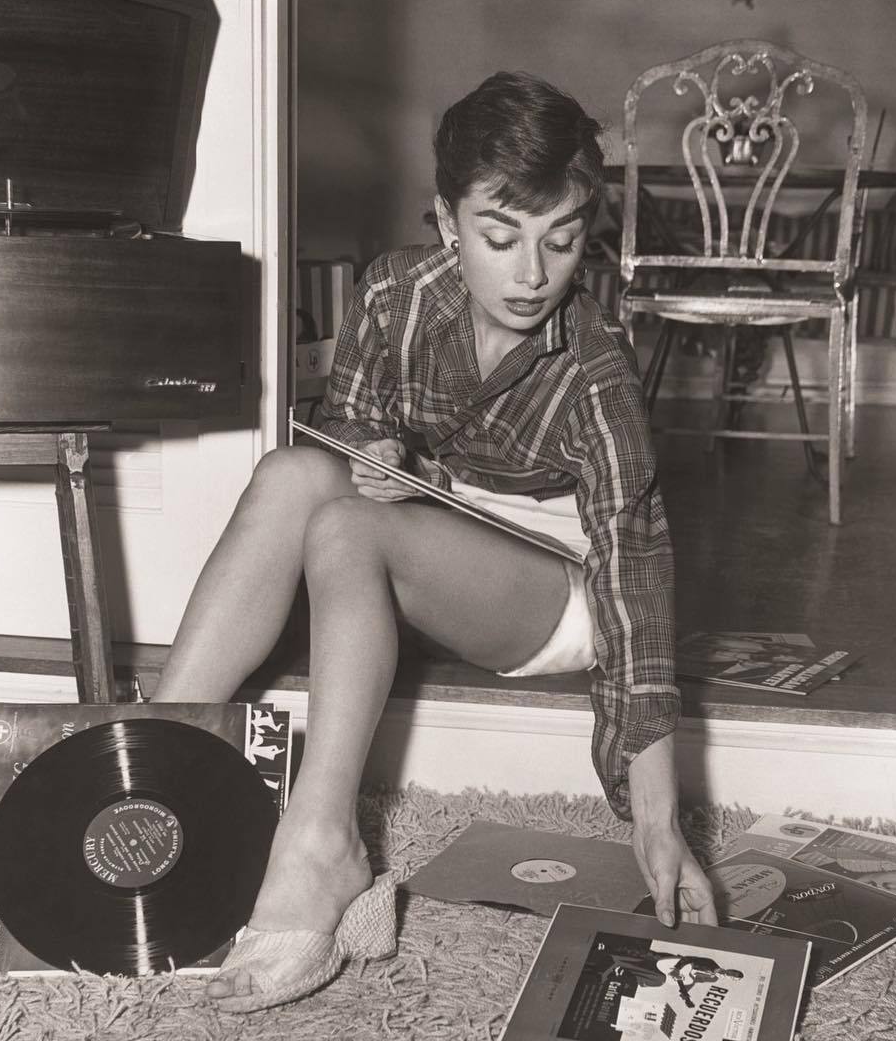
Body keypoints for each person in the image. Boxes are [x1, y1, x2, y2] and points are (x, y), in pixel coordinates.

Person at [153, 70, 716, 1013]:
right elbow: (346, 429)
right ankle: (155, 751)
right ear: (448, 225)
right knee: (297, 475)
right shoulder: (392, 294)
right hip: (426, 537)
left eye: (562, 240)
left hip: (560, 594)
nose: (533, 274)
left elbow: (635, 577)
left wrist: (656, 818)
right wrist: (378, 448)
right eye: (501, 239)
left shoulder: (598, 374)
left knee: (350, 523)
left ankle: (324, 842)